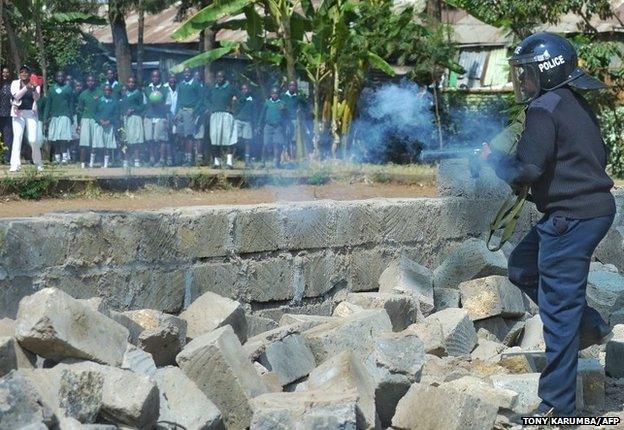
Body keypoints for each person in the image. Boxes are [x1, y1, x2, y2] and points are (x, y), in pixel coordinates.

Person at [479, 32, 615, 417]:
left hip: (571, 218)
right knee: (522, 266)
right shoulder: (573, 103)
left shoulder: (544, 109)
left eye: (528, 74)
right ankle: (586, 325)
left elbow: (526, 168)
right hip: (590, 212)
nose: (523, 81)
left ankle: (557, 408)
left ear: (548, 73)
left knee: (557, 314)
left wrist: (492, 160)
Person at [9, 65, 43, 172]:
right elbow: (16, 96)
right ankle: (15, 165)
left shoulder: (35, 83)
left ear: (29, 74)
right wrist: (26, 87)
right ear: (19, 74)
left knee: (33, 139)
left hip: (30, 114)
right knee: (17, 138)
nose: (24, 73)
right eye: (22, 72)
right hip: (18, 113)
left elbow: (37, 98)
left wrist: (34, 89)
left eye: (26, 72)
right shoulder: (15, 83)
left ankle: (38, 162)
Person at [207, 71, 238, 169]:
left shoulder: (230, 88)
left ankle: (229, 163)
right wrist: (210, 107)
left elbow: (242, 98)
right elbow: (204, 98)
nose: (219, 78)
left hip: (227, 116)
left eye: (221, 77)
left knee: (229, 139)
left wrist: (234, 109)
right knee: (215, 139)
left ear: (225, 78)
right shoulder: (213, 88)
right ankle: (217, 163)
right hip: (215, 115)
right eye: (218, 76)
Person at [44, 70, 75, 164]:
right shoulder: (51, 89)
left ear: (64, 78)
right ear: (55, 78)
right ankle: (57, 158)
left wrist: (71, 116)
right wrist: (45, 118)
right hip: (54, 117)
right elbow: (48, 105)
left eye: (62, 76)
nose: (60, 78)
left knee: (64, 138)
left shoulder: (68, 88)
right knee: (55, 139)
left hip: (65, 116)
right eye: (58, 76)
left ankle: (65, 157)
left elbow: (71, 103)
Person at [174, 67, 203, 166]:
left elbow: (201, 98)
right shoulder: (181, 84)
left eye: (188, 72)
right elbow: (179, 99)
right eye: (185, 72)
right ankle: (185, 158)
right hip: (181, 111)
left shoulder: (195, 84)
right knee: (182, 136)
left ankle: (190, 160)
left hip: (190, 111)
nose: (186, 74)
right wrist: (177, 113)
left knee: (189, 135)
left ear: (191, 73)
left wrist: (195, 110)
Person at [143, 70, 171, 167]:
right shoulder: (147, 89)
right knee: (150, 139)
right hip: (149, 116)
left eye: (157, 77)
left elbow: (168, 104)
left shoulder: (165, 89)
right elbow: (144, 103)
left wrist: (161, 105)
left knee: (161, 139)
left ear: (160, 78)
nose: (155, 78)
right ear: (151, 77)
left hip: (160, 116)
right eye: (153, 77)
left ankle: (162, 159)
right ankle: (152, 158)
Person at [76, 75, 101, 168]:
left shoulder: (100, 93)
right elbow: (79, 110)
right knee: (84, 142)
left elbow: (102, 107)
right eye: (89, 81)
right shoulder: (83, 94)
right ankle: (82, 163)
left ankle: (91, 163)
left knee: (94, 143)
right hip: (85, 119)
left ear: (95, 81)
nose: (91, 82)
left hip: (96, 120)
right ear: (86, 82)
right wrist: (79, 124)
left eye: (92, 81)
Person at [259, 87, 287, 168]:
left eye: (276, 93)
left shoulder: (282, 103)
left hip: (278, 127)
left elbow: (286, 116)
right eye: (273, 93)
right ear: (270, 94)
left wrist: (284, 109)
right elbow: (262, 115)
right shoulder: (267, 103)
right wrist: (259, 125)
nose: (275, 95)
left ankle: (276, 162)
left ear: (278, 94)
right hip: (268, 126)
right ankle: (263, 161)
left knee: (277, 144)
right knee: (265, 143)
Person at [93, 84, 119, 168]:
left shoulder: (114, 102)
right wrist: (99, 120)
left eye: (109, 90)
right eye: (105, 90)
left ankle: (106, 164)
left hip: (109, 126)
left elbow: (116, 115)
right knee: (97, 144)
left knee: (107, 145)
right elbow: (94, 113)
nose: (107, 92)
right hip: (99, 125)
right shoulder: (99, 101)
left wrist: (109, 121)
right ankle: (92, 163)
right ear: (103, 91)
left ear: (111, 92)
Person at [121, 76, 145, 167]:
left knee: (136, 140)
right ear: (127, 83)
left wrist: (133, 109)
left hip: (135, 118)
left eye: (133, 82)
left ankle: (136, 161)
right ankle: (126, 161)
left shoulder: (138, 93)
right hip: (126, 119)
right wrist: (124, 113)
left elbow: (142, 107)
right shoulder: (124, 94)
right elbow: (122, 107)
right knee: (126, 140)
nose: (131, 84)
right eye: (129, 82)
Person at [281, 80, 307, 158]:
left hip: (294, 120)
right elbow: (280, 105)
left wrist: (300, 110)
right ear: (288, 87)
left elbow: (305, 105)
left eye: (294, 86)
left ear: (296, 87)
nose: (292, 87)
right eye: (290, 85)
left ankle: (293, 157)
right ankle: (285, 156)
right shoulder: (283, 96)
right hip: (285, 120)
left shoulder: (298, 97)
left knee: (293, 139)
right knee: (285, 138)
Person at [234, 84, 256, 168]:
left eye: (246, 89)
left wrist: (255, 124)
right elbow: (234, 110)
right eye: (242, 89)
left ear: (249, 90)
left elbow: (254, 113)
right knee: (235, 140)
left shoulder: (251, 100)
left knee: (247, 141)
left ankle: (247, 160)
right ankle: (231, 159)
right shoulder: (237, 99)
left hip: (247, 122)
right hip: (238, 121)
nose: (244, 90)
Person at [164, 74, 178, 165]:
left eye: (174, 78)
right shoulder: (164, 88)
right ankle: (169, 158)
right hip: (167, 115)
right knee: (168, 137)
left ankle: (177, 158)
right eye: (170, 78)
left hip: (177, 115)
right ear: (168, 79)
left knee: (178, 137)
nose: (172, 80)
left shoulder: (179, 88)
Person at [0, 66, 13, 163]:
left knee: (7, 136)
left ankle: (7, 158)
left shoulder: (12, 84)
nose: (5, 74)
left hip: (8, 114)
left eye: (7, 72)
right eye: (3, 72)